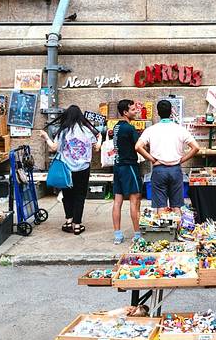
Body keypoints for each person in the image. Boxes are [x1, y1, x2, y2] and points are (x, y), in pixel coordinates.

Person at [39, 105, 101, 235]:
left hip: (66, 168)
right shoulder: (87, 131)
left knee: (67, 195)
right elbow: (96, 148)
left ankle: (68, 221)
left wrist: (46, 137)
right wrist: (100, 138)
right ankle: (77, 225)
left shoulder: (63, 131)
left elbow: (53, 148)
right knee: (80, 196)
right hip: (83, 168)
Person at [136, 100, 200, 210]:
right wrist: (181, 160)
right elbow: (196, 147)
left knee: (161, 207)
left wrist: (152, 160)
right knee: (177, 206)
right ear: (171, 112)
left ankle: (163, 226)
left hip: (159, 169)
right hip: (175, 170)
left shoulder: (151, 130)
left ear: (158, 112)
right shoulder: (180, 129)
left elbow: (138, 147)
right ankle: (178, 226)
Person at [111, 100, 142, 244]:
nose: (136, 111)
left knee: (117, 201)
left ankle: (117, 235)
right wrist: (151, 157)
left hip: (117, 166)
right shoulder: (129, 128)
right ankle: (137, 234)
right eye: (133, 109)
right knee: (134, 200)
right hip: (129, 166)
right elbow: (138, 146)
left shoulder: (117, 127)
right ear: (125, 112)